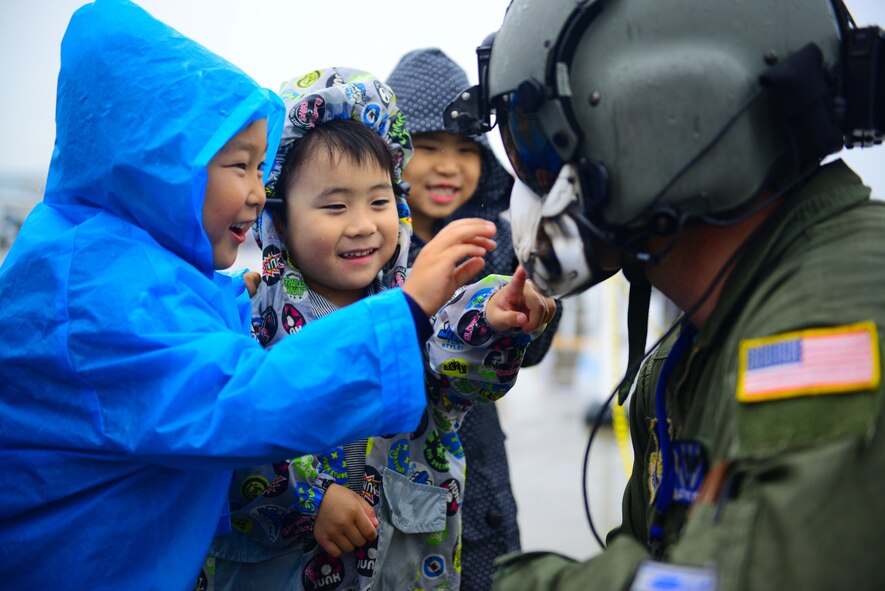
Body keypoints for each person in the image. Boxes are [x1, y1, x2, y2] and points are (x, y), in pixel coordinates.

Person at [0, 3, 503, 589]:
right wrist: (407, 309)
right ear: (160, 166)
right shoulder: (93, 289)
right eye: (240, 166)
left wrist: (492, 320)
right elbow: (241, 402)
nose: (257, 193)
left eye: (260, 167)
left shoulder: (124, 264)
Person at [445, 0, 885, 589]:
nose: (533, 191)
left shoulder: (839, 310)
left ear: (653, 115)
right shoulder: (681, 364)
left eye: (540, 143)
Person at [200, 66, 557, 591]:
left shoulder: (419, 307)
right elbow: (216, 442)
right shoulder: (245, 319)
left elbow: (457, 344)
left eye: (380, 200)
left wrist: (498, 319)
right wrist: (308, 500)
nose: (363, 223)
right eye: (335, 205)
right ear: (278, 217)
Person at [387, 47, 562, 591]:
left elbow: (532, 353)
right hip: (376, 464)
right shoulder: (368, 243)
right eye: (428, 146)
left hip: (476, 467)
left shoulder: (500, 241)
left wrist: (535, 313)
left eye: (465, 149)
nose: (447, 165)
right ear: (389, 152)